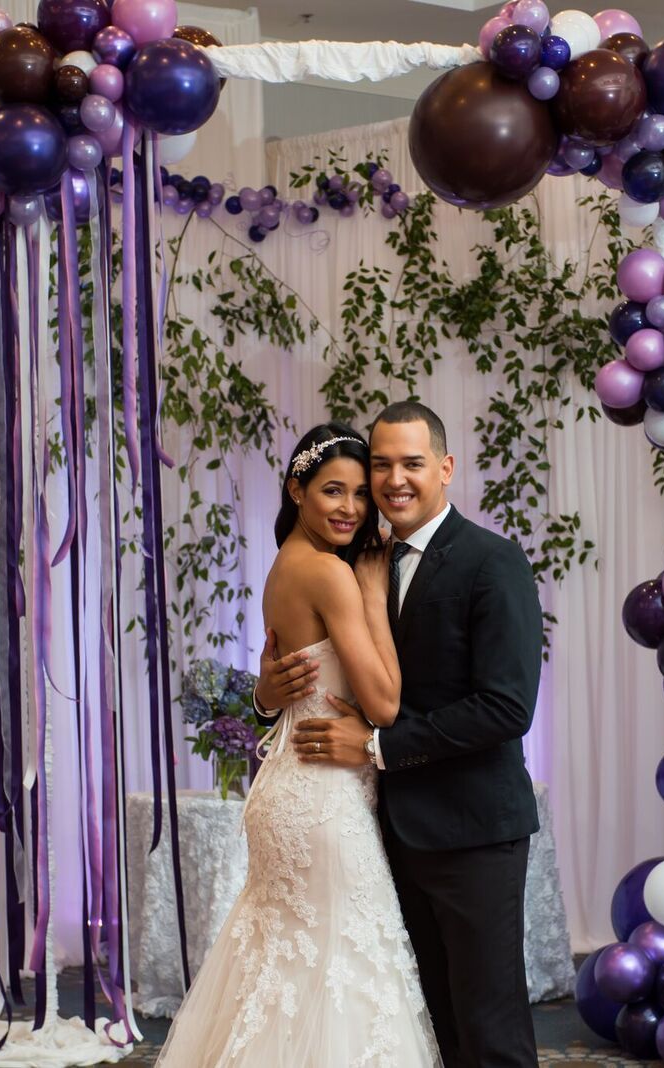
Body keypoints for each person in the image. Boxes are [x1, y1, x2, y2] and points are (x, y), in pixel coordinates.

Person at [258, 402, 544, 1068]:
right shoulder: (357, 557)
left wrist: (380, 747)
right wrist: (266, 693)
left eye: (411, 464)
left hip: (473, 829)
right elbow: (307, 667)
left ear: (444, 468)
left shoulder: (491, 561)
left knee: (489, 1024)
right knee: (427, 1022)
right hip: (386, 830)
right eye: (380, 465)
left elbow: (507, 707)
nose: (393, 481)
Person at [156, 423, 440, 1068]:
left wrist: (265, 695)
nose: (351, 508)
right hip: (322, 798)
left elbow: (293, 686)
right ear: (297, 489)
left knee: (282, 970)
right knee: (341, 969)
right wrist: (370, 590)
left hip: (290, 786)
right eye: (333, 491)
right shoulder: (333, 575)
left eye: (361, 494)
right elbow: (385, 704)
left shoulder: (284, 563)